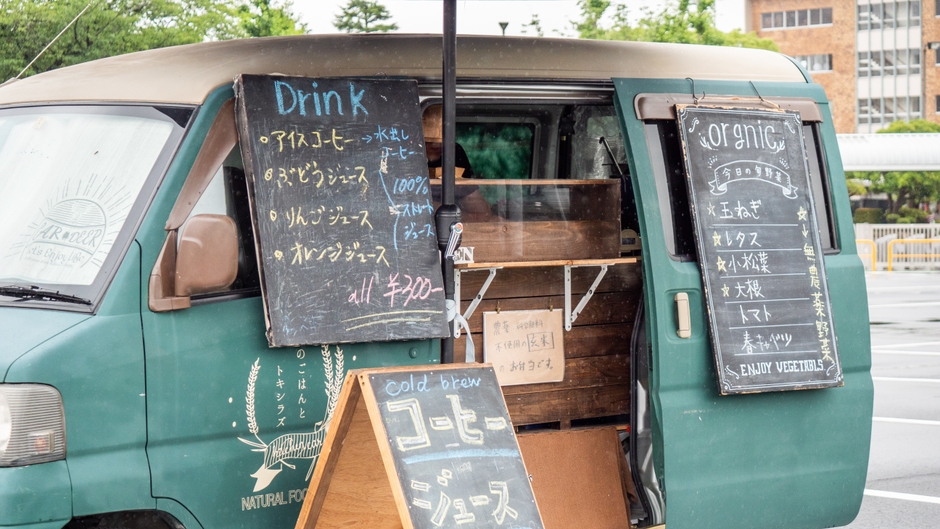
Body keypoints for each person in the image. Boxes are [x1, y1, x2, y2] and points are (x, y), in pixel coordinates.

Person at [422, 105, 495, 222]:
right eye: (429, 140)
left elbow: (481, 213)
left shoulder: (453, 152)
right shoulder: (404, 154)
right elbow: (408, 202)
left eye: (443, 138)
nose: (438, 144)